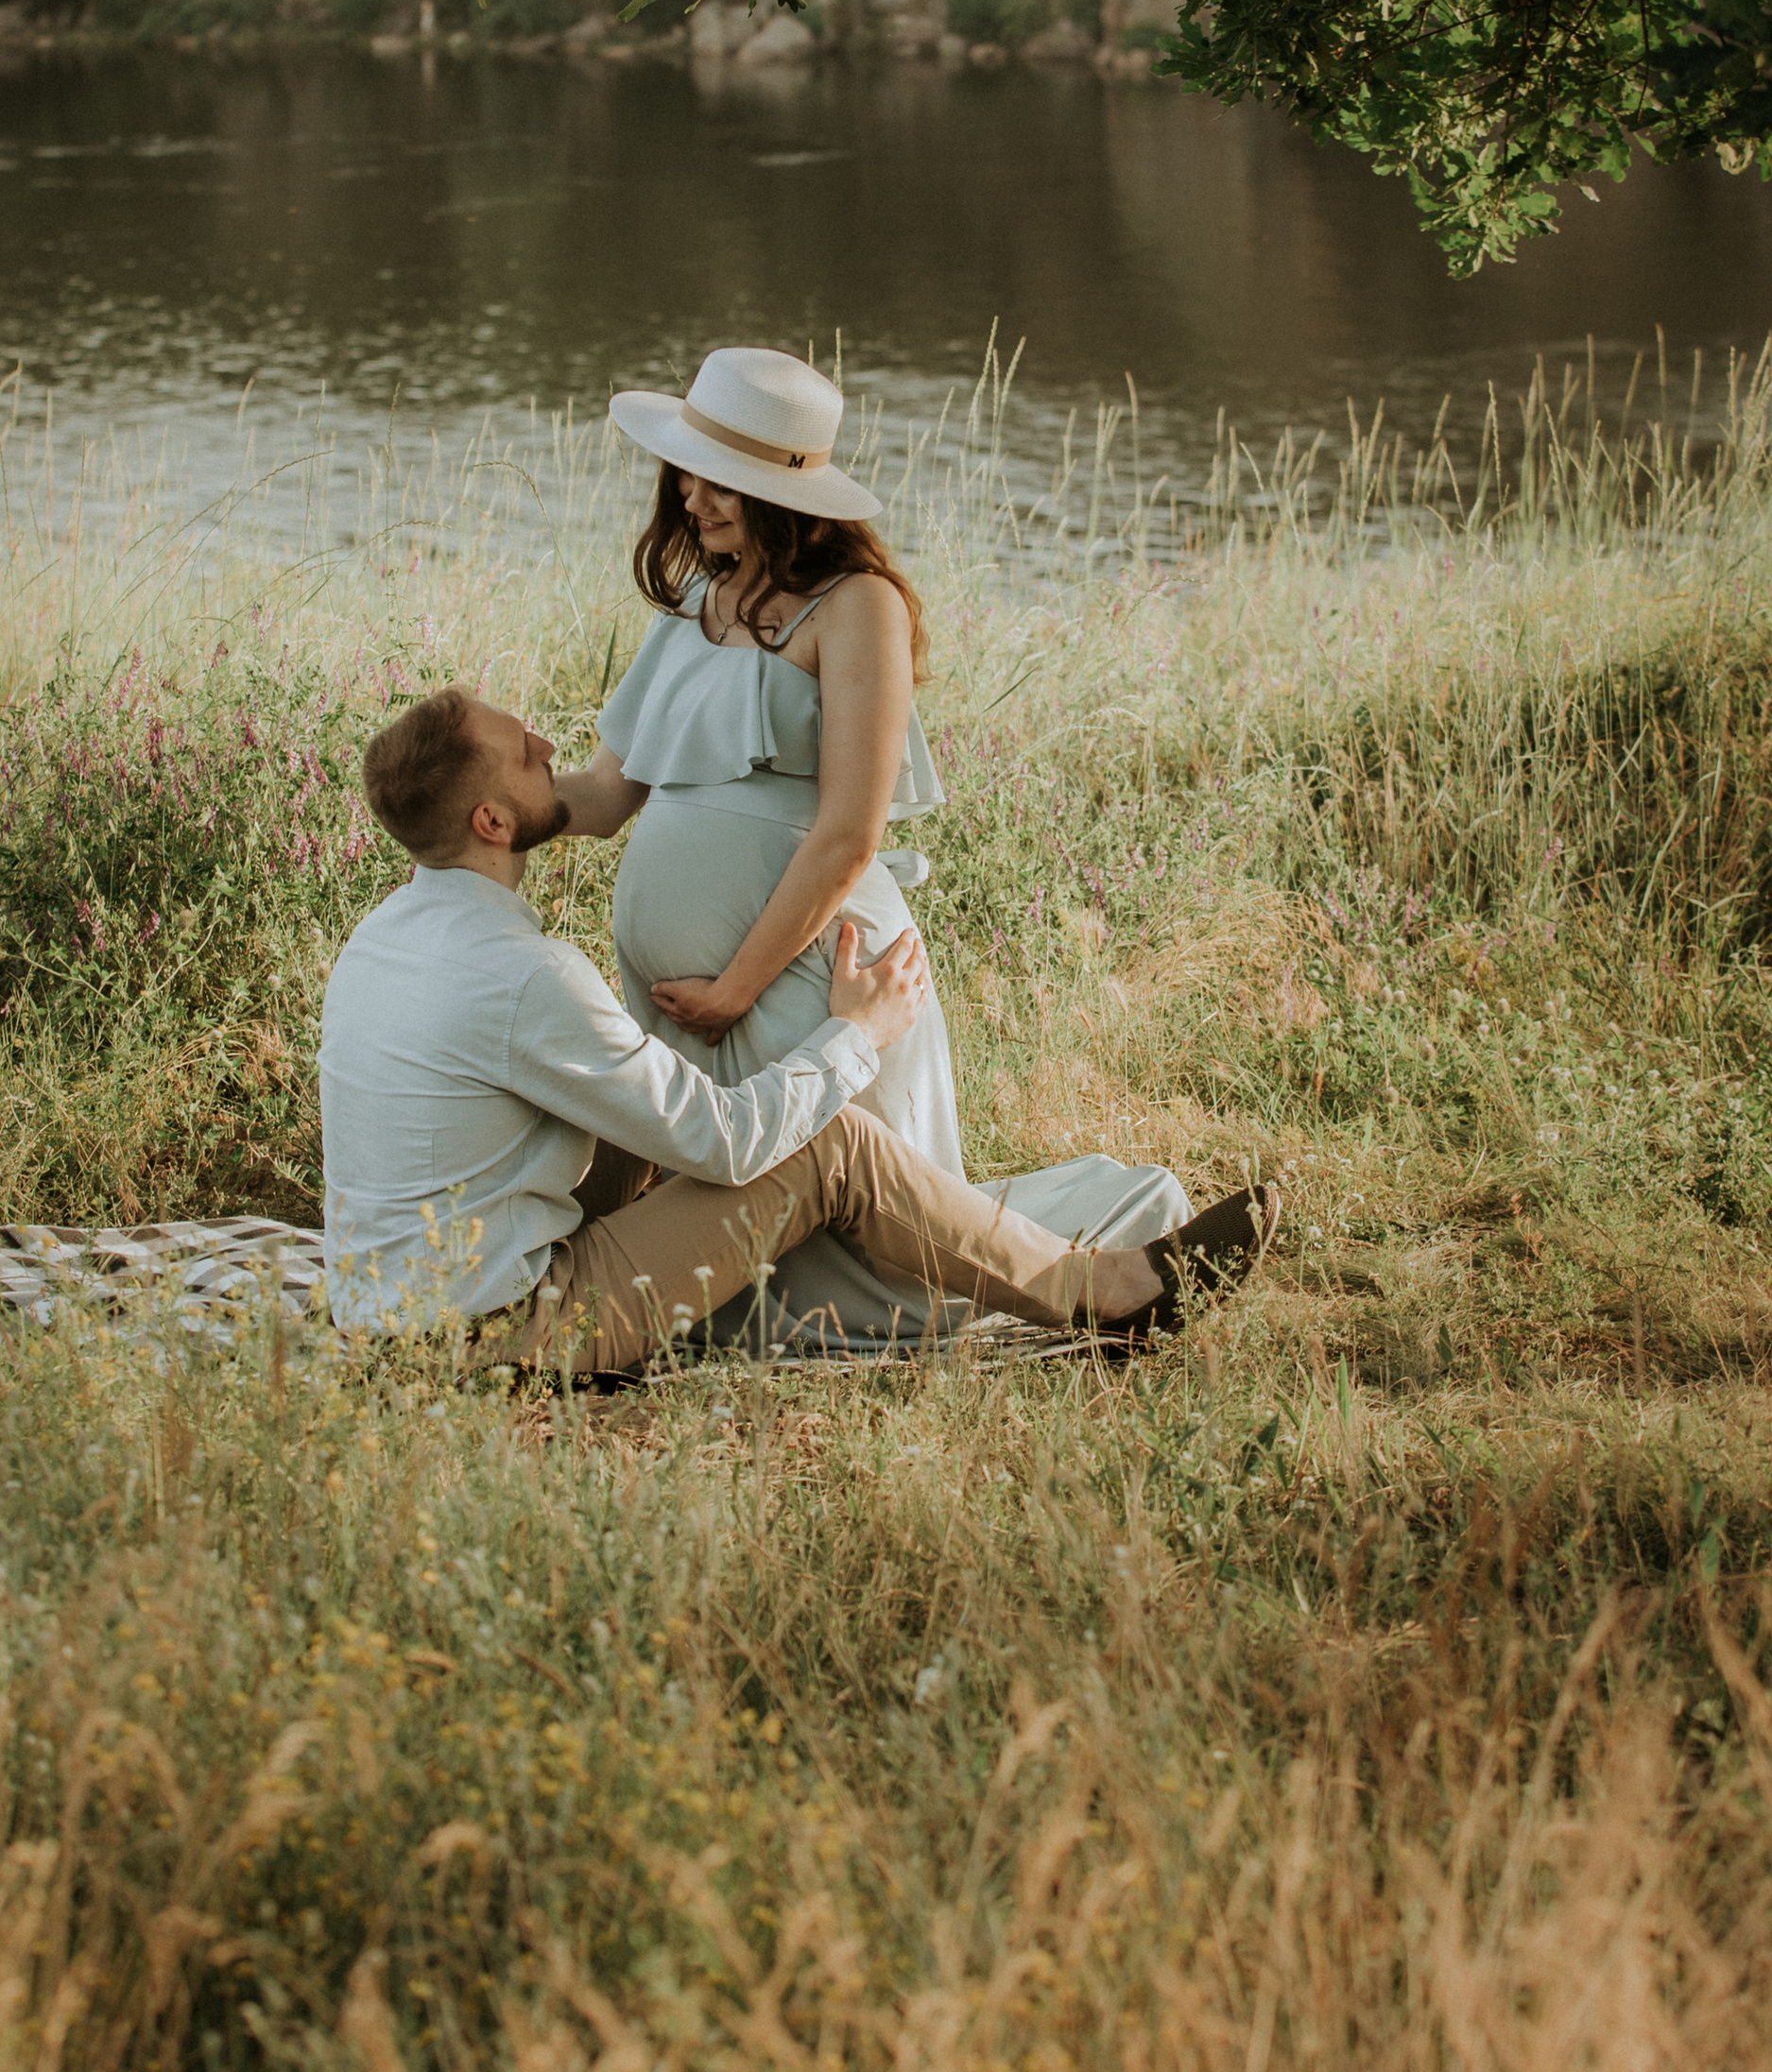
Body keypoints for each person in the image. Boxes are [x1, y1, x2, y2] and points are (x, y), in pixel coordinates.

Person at [318, 682, 1278, 1371]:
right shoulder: (523, 975)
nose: (541, 741)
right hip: (501, 1337)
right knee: (837, 1152)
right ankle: (1104, 1293)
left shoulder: (379, 944)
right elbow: (727, 1145)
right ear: (492, 821)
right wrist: (856, 1033)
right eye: (523, 750)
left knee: (635, 1114)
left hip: (389, 1318)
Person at [550, 345, 1197, 1349]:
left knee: (854, 1221)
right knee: (741, 1212)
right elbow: (599, 796)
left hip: (808, 964)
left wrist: (735, 985)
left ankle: (1090, 1271)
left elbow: (850, 833)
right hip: (695, 999)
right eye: (687, 472)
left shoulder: (857, 607)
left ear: (783, 489)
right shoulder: (692, 606)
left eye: (722, 482)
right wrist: (474, 802)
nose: (691, 499)